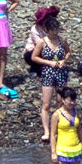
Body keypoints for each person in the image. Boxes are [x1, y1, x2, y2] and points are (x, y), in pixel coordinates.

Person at [30, 14, 69, 142]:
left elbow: (68, 52)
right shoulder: (43, 42)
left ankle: (57, 127)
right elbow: (34, 57)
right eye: (52, 30)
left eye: (56, 30)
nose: (55, 33)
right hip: (48, 72)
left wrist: (64, 60)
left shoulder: (62, 40)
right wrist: (48, 62)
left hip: (61, 72)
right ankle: (46, 131)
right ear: (47, 30)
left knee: (60, 101)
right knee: (46, 104)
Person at [50, 86, 82, 164]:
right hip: (62, 150)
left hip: (76, 149)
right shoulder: (56, 115)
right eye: (70, 100)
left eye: (74, 100)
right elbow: (52, 135)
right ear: (63, 100)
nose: (72, 103)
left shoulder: (75, 112)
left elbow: (79, 130)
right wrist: (53, 152)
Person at [23, 5, 57, 74]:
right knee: (31, 55)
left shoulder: (50, 27)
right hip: (35, 50)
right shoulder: (35, 29)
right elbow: (40, 44)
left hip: (49, 48)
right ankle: (36, 67)